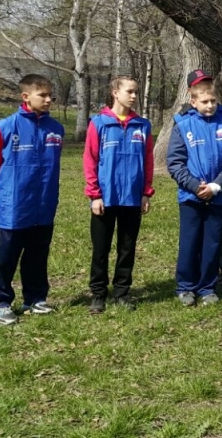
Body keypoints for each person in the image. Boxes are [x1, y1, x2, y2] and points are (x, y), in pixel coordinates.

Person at [0, 74, 64, 326]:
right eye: (42, 95)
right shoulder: (6, 127)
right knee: (7, 255)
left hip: (43, 204)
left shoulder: (56, 128)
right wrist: (6, 194)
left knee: (37, 253)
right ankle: (0, 302)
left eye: (49, 95)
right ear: (25, 96)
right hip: (13, 205)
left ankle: (34, 298)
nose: (48, 99)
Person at [167, 71, 222, 307]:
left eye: (213, 101)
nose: (209, 106)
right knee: (190, 243)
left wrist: (216, 185)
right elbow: (175, 162)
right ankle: (185, 286)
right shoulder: (183, 124)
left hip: (218, 196)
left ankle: (208, 287)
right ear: (193, 101)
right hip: (191, 196)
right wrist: (193, 185)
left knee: (211, 244)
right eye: (204, 102)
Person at [83, 75, 154, 314]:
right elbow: (90, 160)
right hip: (105, 197)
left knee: (127, 247)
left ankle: (122, 292)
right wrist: (94, 194)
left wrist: (146, 192)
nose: (134, 96)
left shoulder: (142, 125)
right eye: (130, 91)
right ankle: (98, 294)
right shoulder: (99, 123)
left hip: (132, 198)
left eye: (136, 92)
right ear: (115, 92)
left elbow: (149, 161)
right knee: (100, 248)